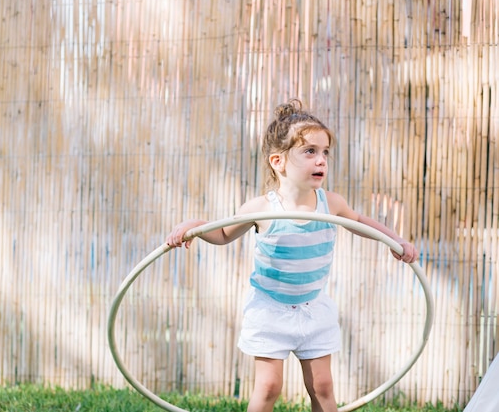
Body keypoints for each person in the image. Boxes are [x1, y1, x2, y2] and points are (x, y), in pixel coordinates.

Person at [165, 99, 419, 412]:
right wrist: (194, 227)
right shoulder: (261, 208)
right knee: (269, 386)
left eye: (325, 152)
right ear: (278, 161)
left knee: (323, 386)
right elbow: (222, 234)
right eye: (310, 151)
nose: (321, 160)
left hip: (314, 307)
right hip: (270, 309)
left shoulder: (331, 204)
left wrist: (395, 241)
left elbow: (360, 223)